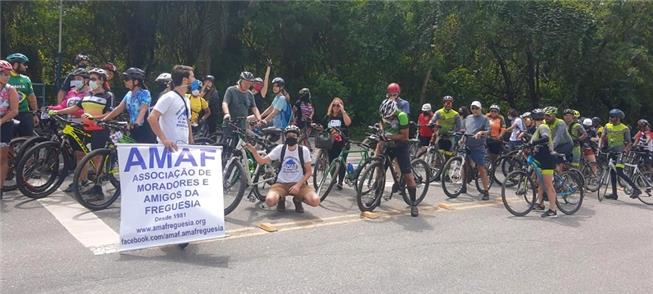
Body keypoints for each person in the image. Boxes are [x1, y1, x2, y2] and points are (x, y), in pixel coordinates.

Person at [50, 68, 113, 193]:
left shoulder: (108, 95)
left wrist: (95, 117)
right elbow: (74, 108)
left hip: (100, 129)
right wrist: (58, 111)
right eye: (90, 79)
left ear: (101, 81)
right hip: (86, 128)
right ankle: (82, 181)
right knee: (81, 155)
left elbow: (110, 113)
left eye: (94, 79)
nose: (91, 82)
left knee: (96, 158)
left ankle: (98, 187)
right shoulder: (88, 95)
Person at [244, 125, 319, 213]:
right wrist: (254, 151)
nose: (291, 138)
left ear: (298, 137)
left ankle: (297, 200)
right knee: (269, 201)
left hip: (299, 184)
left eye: (294, 136)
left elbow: (309, 172)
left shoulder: (304, 150)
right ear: (285, 137)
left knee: (315, 201)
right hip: (281, 184)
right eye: (289, 136)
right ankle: (281, 199)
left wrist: (298, 185)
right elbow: (261, 161)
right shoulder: (280, 149)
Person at [377, 99, 419, 216]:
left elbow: (404, 136)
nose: (388, 119)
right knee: (381, 170)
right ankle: (377, 197)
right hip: (388, 144)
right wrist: (381, 131)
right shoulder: (384, 113)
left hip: (401, 145)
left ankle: (413, 204)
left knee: (407, 175)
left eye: (390, 117)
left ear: (394, 111)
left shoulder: (402, 116)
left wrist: (389, 136)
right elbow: (382, 122)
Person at [102, 67, 157, 143]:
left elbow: (143, 110)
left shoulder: (145, 93)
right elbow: (119, 108)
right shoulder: (129, 94)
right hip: (132, 128)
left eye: (127, 79)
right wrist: (104, 119)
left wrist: (137, 123)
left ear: (136, 81)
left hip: (144, 130)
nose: (124, 81)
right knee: (118, 143)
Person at [148, 65, 195, 151]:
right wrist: (164, 140)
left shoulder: (186, 100)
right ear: (185, 80)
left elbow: (187, 120)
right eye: (192, 77)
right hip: (168, 148)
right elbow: (152, 118)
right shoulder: (169, 97)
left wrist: (191, 140)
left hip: (183, 147)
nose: (195, 80)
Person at [600, 109, 641, 199]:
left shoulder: (624, 128)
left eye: (613, 117)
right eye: (610, 116)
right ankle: (614, 194)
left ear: (618, 118)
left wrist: (625, 150)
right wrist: (600, 147)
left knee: (619, 171)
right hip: (611, 152)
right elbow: (602, 137)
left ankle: (636, 189)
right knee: (612, 173)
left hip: (621, 152)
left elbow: (629, 143)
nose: (610, 118)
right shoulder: (607, 126)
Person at [222, 71, 263, 155]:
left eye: (249, 83)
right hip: (230, 123)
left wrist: (259, 118)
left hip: (242, 126)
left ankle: (237, 165)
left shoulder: (249, 94)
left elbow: (254, 108)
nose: (247, 85)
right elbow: (225, 103)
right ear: (240, 81)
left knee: (239, 150)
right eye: (245, 83)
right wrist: (226, 113)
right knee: (227, 148)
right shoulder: (231, 90)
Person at [529, 109, 559, 218]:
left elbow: (545, 138)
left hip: (547, 158)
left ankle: (552, 210)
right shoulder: (538, 128)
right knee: (540, 182)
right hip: (541, 158)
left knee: (548, 185)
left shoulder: (543, 127)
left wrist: (533, 142)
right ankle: (540, 204)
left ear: (533, 119)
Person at [461, 101, 491, 200]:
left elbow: (488, 131)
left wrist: (481, 132)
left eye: (476, 108)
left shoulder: (484, 119)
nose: (475, 110)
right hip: (468, 144)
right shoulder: (468, 118)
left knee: (480, 168)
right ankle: (463, 186)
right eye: (473, 108)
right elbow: (465, 130)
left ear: (480, 108)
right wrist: (462, 139)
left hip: (478, 146)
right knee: (464, 164)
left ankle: (486, 191)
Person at [321, 97, 352, 190]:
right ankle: (334, 177)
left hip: (342, 142)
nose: (335, 107)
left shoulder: (342, 116)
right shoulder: (328, 116)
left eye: (338, 105)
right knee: (331, 161)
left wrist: (343, 111)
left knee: (341, 162)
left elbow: (348, 123)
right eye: (334, 105)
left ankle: (340, 181)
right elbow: (323, 126)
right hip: (331, 142)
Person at [6, 53, 38, 138]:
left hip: (24, 114)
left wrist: (35, 114)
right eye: (24, 64)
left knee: (27, 141)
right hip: (8, 114)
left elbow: (31, 98)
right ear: (15, 64)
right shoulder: (4, 77)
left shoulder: (26, 79)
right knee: (7, 142)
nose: (26, 67)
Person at [0, 60, 20, 190]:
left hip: (5, 123)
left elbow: (14, 111)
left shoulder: (10, 90)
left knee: (1, 158)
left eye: (8, 74)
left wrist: (1, 121)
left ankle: (0, 187)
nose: (6, 76)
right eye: (3, 73)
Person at [543, 106, 573, 171]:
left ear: (554, 115)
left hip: (566, 144)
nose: (546, 118)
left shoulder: (560, 123)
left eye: (548, 116)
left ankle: (559, 178)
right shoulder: (545, 123)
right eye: (545, 115)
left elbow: (558, 137)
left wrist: (551, 147)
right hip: (555, 144)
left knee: (556, 160)